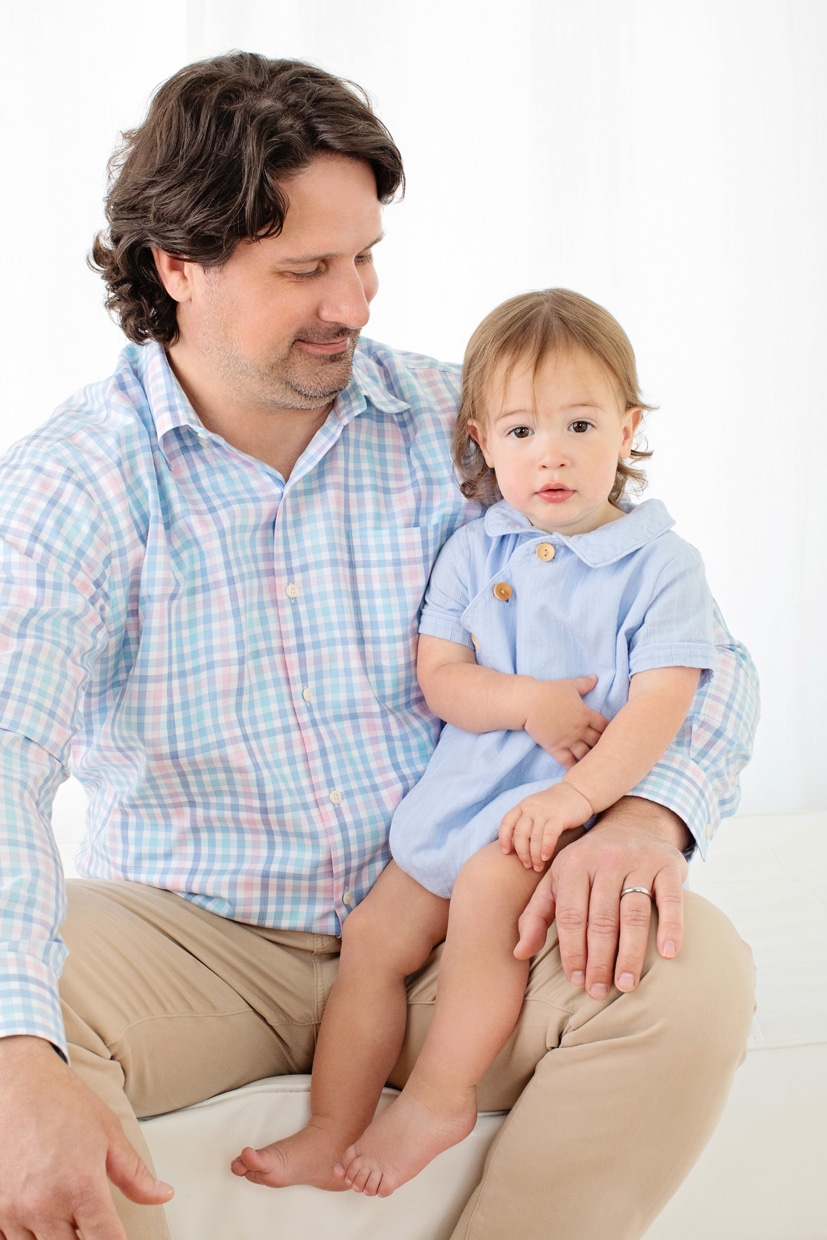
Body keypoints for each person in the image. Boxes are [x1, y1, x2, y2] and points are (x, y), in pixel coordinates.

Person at [0, 51, 757, 1240]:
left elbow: (703, 655)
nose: (351, 304)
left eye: (363, 259)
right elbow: (4, 758)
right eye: (305, 268)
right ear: (177, 265)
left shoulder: (460, 423)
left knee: (686, 971)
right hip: (196, 935)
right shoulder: (74, 484)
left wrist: (646, 811)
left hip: (454, 911)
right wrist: (14, 1056)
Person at [240, 287, 720, 1198]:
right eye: (521, 432)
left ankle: (439, 1095)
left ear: (628, 430)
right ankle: (334, 1123)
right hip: (458, 795)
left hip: (565, 808)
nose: (551, 455)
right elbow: (442, 678)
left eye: (580, 425)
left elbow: (664, 702)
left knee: (488, 899)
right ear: (479, 442)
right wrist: (527, 701)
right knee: (375, 939)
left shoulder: (659, 565)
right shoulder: (476, 551)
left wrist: (577, 800)